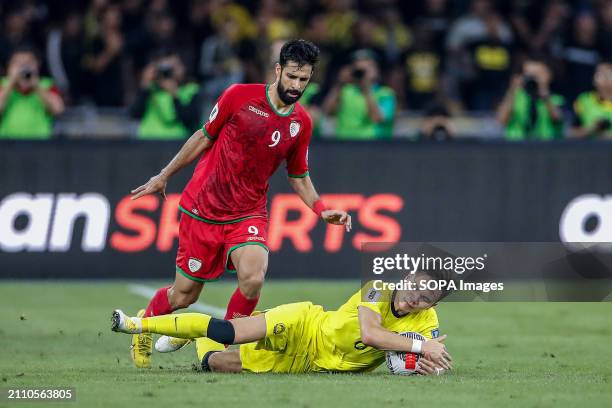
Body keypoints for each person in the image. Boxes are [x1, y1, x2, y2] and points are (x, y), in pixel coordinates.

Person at [127, 39, 352, 369]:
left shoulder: (300, 123)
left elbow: (299, 175)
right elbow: (204, 136)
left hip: (248, 212)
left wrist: (321, 209)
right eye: (291, 77)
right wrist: (164, 175)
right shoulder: (239, 96)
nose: (296, 86)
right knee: (185, 295)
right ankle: (145, 325)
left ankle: (223, 345)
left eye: (303, 80)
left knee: (253, 277)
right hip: (203, 207)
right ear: (278, 70)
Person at [111, 271, 453, 375]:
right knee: (229, 330)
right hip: (305, 324)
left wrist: (430, 368)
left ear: (433, 305)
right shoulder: (378, 288)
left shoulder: (426, 320)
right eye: (414, 288)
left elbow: (433, 357)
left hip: (310, 364)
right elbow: (371, 334)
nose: (415, 299)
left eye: (426, 298)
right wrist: (422, 348)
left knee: (212, 363)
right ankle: (139, 324)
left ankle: (193, 339)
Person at [323, 49, 396, 140]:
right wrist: (339, 83)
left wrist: (366, 89)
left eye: (366, 69)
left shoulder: (385, 93)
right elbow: (327, 112)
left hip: (372, 144)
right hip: (343, 143)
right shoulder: (345, 90)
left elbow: (378, 118)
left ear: (376, 70)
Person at [129, 50, 200, 139]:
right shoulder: (150, 90)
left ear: (183, 68)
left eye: (173, 68)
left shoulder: (191, 90)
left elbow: (191, 122)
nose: (169, 73)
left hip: (178, 144)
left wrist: (175, 95)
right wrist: (145, 84)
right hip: (148, 142)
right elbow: (134, 114)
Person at [0, 46, 65, 139]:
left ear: (37, 64)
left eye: (28, 63)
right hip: (6, 144)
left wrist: (36, 85)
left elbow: (58, 109)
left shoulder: (46, 85)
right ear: (9, 66)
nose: (23, 68)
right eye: (18, 63)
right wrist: (11, 83)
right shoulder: (3, 85)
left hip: (39, 144)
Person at [496, 56, 565, 140]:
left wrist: (545, 95)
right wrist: (512, 90)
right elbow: (501, 120)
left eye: (537, 74)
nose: (533, 78)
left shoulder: (555, 98)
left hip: (546, 147)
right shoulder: (515, 97)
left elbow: (558, 119)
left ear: (548, 75)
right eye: (529, 75)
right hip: (516, 147)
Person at [572, 60, 612, 139]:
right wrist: (592, 129)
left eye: (608, 73)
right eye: (600, 73)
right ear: (593, 79)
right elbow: (570, 133)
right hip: (589, 149)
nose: (605, 77)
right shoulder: (583, 101)